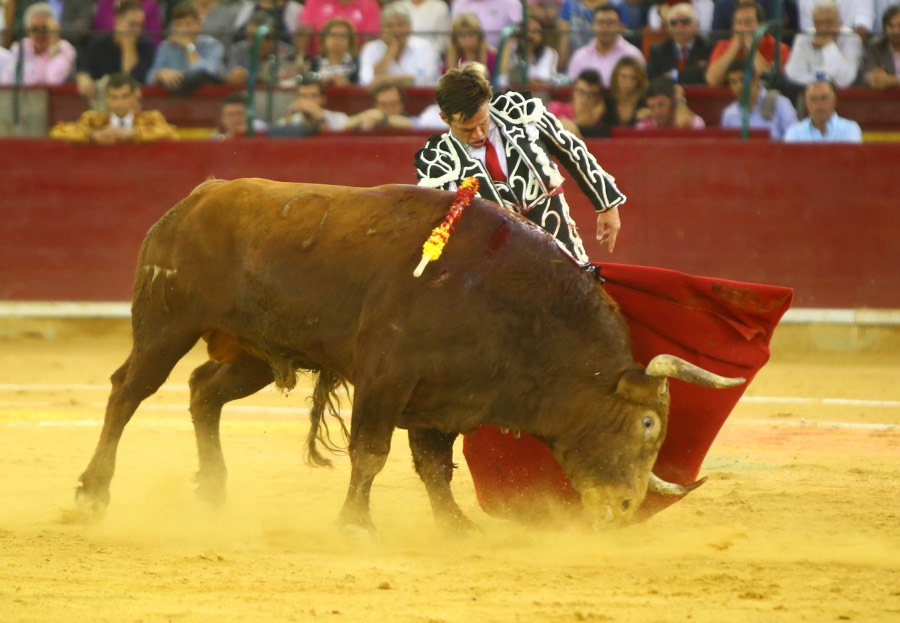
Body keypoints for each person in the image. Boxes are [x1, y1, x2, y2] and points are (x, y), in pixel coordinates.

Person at [415, 64, 626, 268]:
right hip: (501, 262)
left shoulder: (518, 112)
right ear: (444, 118)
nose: (479, 135)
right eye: (467, 129)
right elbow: (451, 225)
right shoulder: (439, 160)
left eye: (483, 123)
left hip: (559, 240)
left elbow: (570, 149)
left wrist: (607, 204)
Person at [48, 72, 179, 142]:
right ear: (107, 99)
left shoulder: (151, 118)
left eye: (125, 96)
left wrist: (133, 133)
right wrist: (93, 135)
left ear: (135, 97)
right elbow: (58, 132)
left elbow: (172, 133)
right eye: (114, 97)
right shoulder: (93, 120)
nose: (119, 102)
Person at [75, 1, 156, 100]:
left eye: (140, 25)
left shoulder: (146, 46)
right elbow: (84, 67)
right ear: (118, 23)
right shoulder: (99, 43)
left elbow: (132, 81)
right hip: (100, 100)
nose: (136, 30)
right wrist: (83, 77)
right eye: (132, 25)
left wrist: (128, 48)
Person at [705, 0, 792, 86]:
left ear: (761, 25)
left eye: (748, 22)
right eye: (738, 23)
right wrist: (734, 48)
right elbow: (712, 80)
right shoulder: (722, 46)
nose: (743, 28)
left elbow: (766, 82)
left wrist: (751, 47)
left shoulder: (779, 48)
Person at [146, 2, 224, 93]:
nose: (183, 29)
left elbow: (208, 74)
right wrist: (160, 74)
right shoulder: (166, 47)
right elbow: (149, 78)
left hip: (205, 97)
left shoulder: (213, 45)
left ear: (199, 25)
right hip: (173, 98)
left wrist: (188, 46)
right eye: (178, 25)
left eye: (188, 24)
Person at [357, 2, 440, 88]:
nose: (395, 30)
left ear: (410, 27)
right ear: (381, 29)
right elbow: (366, 82)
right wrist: (390, 51)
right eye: (389, 26)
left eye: (401, 24)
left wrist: (384, 80)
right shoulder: (370, 49)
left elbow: (428, 81)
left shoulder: (425, 47)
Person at [784, 0, 863, 87]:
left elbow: (846, 79)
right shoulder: (804, 37)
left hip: (844, 95)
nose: (824, 28)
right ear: (813, 24)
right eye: (819, 23)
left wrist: (828, 46)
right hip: (810, 92)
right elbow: (792, 74)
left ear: (840, 23)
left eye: (829, 22)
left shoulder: (851, 37)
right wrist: (821, 82)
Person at [566, 5, 644, 87]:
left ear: (620, 27)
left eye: (610, 22)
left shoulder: (633, 55)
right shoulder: (580, 57)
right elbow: (572, 90)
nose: (605, 27)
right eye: (600, 22)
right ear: (593, 26)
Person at [0, 2, 75, 85]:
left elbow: (53, 80)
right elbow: (6, 81)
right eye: (35, 29)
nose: (40, 34)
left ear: (53, 28)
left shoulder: (65, 49)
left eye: (44, 28)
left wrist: (54, 46)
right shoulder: (20, 48)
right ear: (28, 31)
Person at [721, 59, 798, 138]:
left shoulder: (780, 104)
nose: (739, 87)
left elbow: (795, 141)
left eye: (743, 79)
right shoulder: (729, 114)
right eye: (733, 82)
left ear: (755, 79)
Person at [646, 3, 714, 85]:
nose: (679, 26)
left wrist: (674, 75)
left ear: (696, 25)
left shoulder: (709, 47)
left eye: (685, 22)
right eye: (673, 23)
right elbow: (654, 81)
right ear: (668, 28)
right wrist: (694, 71)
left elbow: (706, 77)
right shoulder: (657, 50)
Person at [223, 11, 294, 87]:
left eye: (267, 37)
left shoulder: (287, 51)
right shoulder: (238, 50)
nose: (262, 42)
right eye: (256, 38)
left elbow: (291, 80)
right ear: (247, 38)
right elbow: (228, 78)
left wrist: (252, 77)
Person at [557, 0, 630, 71]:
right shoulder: (570, 3)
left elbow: (620, 38)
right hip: (577, 62)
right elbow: (564, 39)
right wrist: (562, 66)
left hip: (612, 61)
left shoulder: (618, 3)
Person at [296, 0, 381, 60]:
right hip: (317, 59)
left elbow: (372, 40)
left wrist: (360, 62)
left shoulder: (369, 3)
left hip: (356, 60)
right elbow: (304, 31)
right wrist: (300, 60)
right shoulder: (315, 1)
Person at [784, 79, 863, 141]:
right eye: (813, 99)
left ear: (834, 101)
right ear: (806, 103)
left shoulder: (850, 129)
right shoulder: (795, 132)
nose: (819, 103)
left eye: (824, 98)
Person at [496, 14, 561, 87]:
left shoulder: (548, 52)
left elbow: (541, 80)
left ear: (542, 36)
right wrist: (509, 44)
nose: (530, 35)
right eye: (527, 31)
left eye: (535, 31)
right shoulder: (513, 50)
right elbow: (501, 77)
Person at [546, 68, 610, 137]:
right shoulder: (556, 109)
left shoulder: (600, 122)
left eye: (592, 94)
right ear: (573, 92)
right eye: (581, 92)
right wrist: (588, 119)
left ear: (598, 98)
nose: (585, 99)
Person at [276, 73, 350, 131]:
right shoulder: (288, 120)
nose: (308, 101)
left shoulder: (339, 118)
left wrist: (320, 117)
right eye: (304, 96)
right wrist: (289, 114)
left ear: (323, 99)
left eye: (314, 96)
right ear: (297, 99)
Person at [636, 77, 706, 129]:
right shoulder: (643, 127)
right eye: (652, 107)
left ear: (673, 102)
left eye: (661, 105)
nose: (657, 112)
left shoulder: (694, 123)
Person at [450, 0, 522, 48]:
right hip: (466, 59)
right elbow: (454, 37)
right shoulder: (459, 4)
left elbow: (520, 32)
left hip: (502, 61)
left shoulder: (511, 3)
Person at [445, 12, 498, 77]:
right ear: (455, 38)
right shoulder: (450, 60)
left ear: (479, 36)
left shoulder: (491, 57)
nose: (467, 40)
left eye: (471, 35)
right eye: (462, 36)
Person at [310, 17, 360, 86]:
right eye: (332, 35)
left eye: (342, 36)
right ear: (324, 39)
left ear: (350, 41)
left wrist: (347, 86)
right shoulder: (313, 62)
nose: (337, 39)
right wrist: (319, 82)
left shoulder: (357, 64)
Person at [604, 56, 650, 126]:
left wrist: (651, 114)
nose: (628, 82)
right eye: (624, 77)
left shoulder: (645, 102)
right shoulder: (606, 102)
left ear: (638, 80)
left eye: (633, 78)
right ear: (616, 77)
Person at [93, 0, 165, 45]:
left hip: (142, 52)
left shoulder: (150, 5)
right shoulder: (104, 3)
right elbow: (98, 32)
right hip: (108, 50)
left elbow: (155, 39)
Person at [862, 5, 900, 88]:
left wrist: (893, 80)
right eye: (891, 26)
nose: (895, 31)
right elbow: (867, 76)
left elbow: (890, 80)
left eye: (899, 26)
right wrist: (874, 78)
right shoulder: (876, 46)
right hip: (886, 100)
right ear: (885, 28)